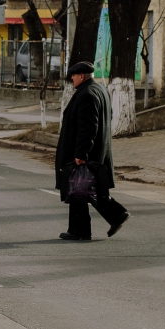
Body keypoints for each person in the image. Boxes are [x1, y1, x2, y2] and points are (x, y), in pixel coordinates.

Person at [55, 61, 130, 240]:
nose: (72, 79)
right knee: (79, 189)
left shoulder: (87, 94)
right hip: (95, 152)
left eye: (73, 76)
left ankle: (115, 215)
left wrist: (81, 154)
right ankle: (78, 230)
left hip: (87, 154)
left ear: (81, 76)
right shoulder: (98, 90)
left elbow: (88, 127)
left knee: (83, 187)